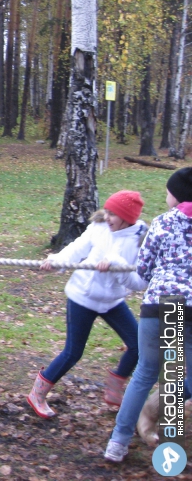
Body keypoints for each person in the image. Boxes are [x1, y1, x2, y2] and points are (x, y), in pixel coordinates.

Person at [27, 191, 147, 419]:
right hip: (82, 297)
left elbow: (139, 281)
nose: (108, 218)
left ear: (128, 217)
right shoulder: (99, 228)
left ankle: (114, 388)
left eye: (114, 215)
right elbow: (77, 248)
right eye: (107, 212)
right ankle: (37, 394)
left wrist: (116, 265)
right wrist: (55, 262)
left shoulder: (139, 240)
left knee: (138, 344)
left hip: (112, 301)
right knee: (73, 352)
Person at [104, 168, 192, 462]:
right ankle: (169, 446)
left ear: (177, 195)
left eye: (169, 191)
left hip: (159, 306)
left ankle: (117, 442)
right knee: (177, 379)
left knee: (144, 373)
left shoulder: (163, 222)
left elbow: (142, 272)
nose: (166, 195)